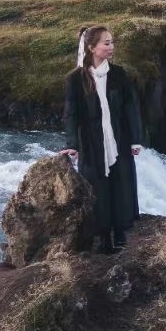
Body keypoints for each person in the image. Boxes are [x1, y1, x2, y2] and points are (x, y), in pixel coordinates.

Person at [62, 24, 144, 252]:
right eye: (106, 43)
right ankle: (103, 238)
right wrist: (72, 145)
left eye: (112, 42)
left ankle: (119, 233)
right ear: (91, 47)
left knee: (120, 186)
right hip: (92, 143)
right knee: (97, 190)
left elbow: (131, 108)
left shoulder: (119, 74)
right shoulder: (75, 80)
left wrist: (135, 139)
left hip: (119, 139)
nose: (111, 47)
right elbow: (71, 114)